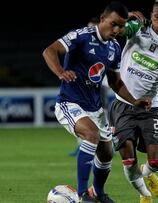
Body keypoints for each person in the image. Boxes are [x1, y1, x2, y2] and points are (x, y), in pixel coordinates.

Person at [42, 1, 151, 203]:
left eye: (121, 26)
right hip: (69, 103)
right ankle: (83, 194)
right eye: (113, 24)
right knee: (90, 135)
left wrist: (134, 101)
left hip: (95, 108)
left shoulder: (114, 48)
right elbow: (49, 51)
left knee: (107, 153)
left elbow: (116, 83)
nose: (117, 30)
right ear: (102, 19)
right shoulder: (81, 36)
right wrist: (60, 72)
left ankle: (98, 194)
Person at [108, 0, 158, 202]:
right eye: (157, 16)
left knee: (157, 160)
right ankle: (145, 195)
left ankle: (148, 172)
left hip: (150, 106)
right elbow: (117, 31)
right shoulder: (138, 27)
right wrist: (125, 19)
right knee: (128, 158)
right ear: (152, 14)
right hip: (123, 104)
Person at [68, 16, 101, 157]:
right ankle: (81, 146)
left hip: (99, 90)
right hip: (82, 90)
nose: (89, 30)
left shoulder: (105, 46)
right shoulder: (84, 43)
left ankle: (109, 145)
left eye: (92, 27)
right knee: (82, 120)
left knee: (99, 120)